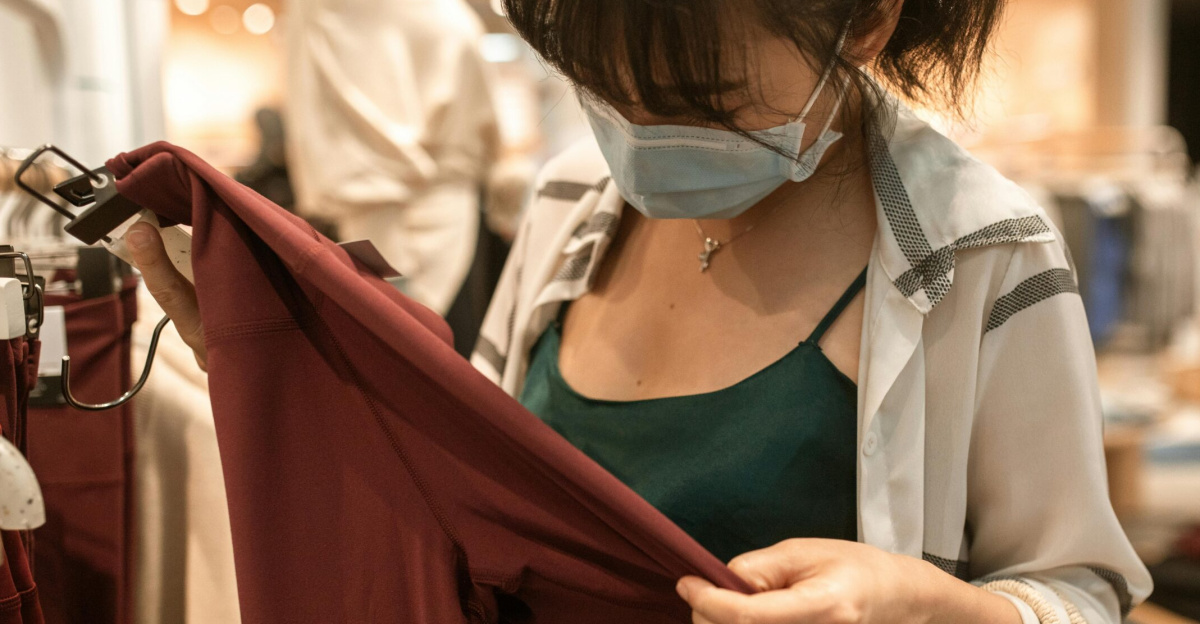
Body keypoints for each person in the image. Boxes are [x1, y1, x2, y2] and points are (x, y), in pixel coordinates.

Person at [127, 0, 1153, 622]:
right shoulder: (572, 201)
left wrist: (937, 613)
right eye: (604, 88)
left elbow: (1082, 593)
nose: (643, 131)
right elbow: (469, 509)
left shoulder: (980, 255)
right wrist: (300, 382)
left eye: (702, 95)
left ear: (867, 19)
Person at [284, 0, 500, 315]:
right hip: (379, 214)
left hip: (410, 214)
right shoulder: (451, 19)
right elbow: (483, 123)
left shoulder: (312, 13)